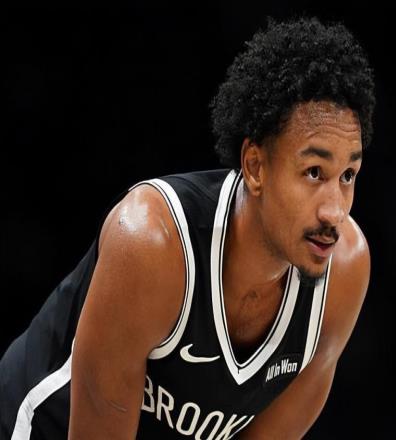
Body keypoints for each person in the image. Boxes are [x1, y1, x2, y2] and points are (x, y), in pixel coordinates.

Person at [0, 16, 375, 439]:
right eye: (313, 172)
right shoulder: (151, 244)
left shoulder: (344, 274)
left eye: (348, 176)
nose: (334, 211)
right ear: (255, 167)